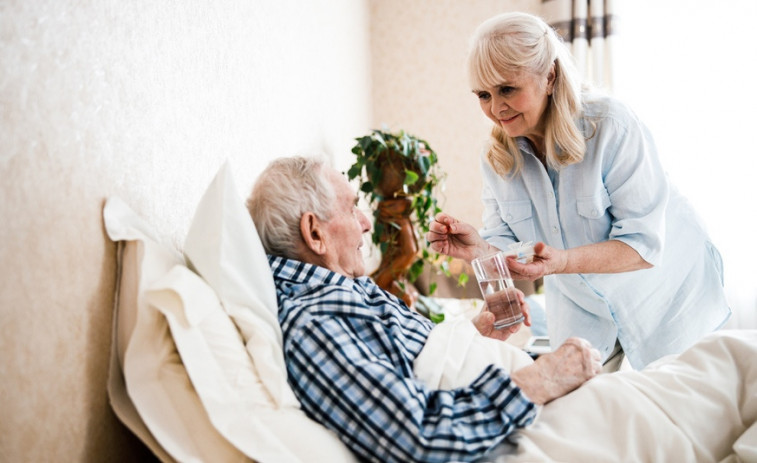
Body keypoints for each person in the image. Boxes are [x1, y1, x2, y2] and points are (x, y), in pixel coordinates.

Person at [426, 12, 730, 371]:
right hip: (578, 302)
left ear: (549, 76)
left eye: (507, 89)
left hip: (663, 292)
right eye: (483, 94)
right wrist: (480, 249)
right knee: (585, 405)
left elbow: (643, 244)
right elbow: (514, 249)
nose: (495, 108)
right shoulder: (496, 158)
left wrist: (564, 261)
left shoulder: (611, 127)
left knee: (679, 404)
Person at [247, 155, 602, 462]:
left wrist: (475, 333)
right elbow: (421, 438)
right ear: (314, 233)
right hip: (532, 421)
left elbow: (413, 360)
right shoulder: (314, 322)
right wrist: (545, 377)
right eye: (352, 207)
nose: (367, 222)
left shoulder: (345, 289)